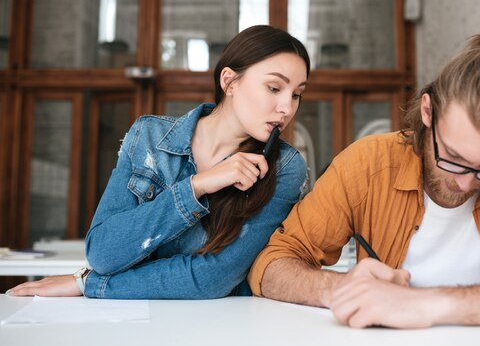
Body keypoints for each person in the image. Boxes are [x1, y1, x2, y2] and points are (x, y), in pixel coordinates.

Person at [248, 29, 480, 328]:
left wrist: (431, 303)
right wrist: (340, 287)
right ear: (428, 111)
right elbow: (271, 265)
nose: (466, 182)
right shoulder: (367, 163)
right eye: (455, 158)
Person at [7, 25, 310, 299]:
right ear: (229, 82)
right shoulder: (149, 136)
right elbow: (102, 253)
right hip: (127, 328)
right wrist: (195, 187)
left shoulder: (283, 168)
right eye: (274, 88)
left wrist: (90, 285)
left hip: (219, 332)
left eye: (296, 94)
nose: (286, 107)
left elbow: (212, 278)